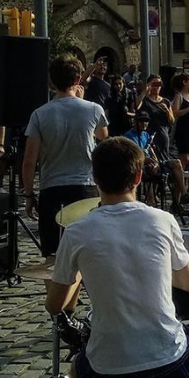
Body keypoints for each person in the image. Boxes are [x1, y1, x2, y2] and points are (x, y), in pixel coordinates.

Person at [47, 137, 189, 378]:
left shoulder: (77, 232)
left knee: (77, 377)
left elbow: (55, 305)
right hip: (167, 358)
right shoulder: (162, 220)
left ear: (95, 178)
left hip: (105, 366)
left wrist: (77, 274)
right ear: (139, 176)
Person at [22, 57, 110, 256]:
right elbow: (103, 137)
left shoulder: (39, 114)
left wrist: (29, 194)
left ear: (51, 81)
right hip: (85, 187)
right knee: (87, 254)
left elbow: (29, 160)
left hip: (52, 189)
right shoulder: (93, 109)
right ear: (78, 80)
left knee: (53, 256)